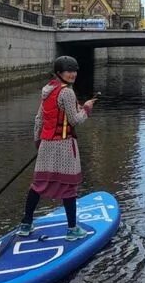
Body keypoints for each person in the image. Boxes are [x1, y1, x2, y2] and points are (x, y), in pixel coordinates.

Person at [18, 55, 97, 239]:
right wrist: (86, 108)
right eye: (68, 71)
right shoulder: (67, 92)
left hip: (46, 144)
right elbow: (75, 120)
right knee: (69, 186)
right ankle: (72, 230)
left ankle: (25, 224)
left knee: (37, 185)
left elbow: (39, 120)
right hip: (64, 145)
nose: (73, 74)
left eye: (74, 70)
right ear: (59, 73)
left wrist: (39, 143)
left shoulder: (48, 90)